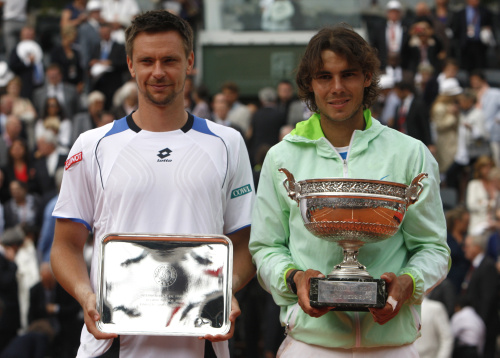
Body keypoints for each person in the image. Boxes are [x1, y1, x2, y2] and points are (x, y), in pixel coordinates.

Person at [50, 10, 255, 358]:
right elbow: (65, 246)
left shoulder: (228, 142)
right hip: (112, 342)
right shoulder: (92, 145)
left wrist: (226, 289)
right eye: (147, 61)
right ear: (130, 65)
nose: (158, 72)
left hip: (201, 341)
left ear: (190, 62)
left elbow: (246, 243)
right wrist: (87, 296)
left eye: (170, 60)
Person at [249, 24, 450, 357]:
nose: (337, 88)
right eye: (324, 76)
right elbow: (266, 247)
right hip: (310, 344)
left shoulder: (410, 153)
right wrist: (295, 279)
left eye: (349, 74)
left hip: (391, 344)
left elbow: (433, 248)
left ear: (368, 77)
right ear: (309, 84)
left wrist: (407, 283)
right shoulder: (281, 157)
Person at [460, 232, 499, 358]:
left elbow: (487, 300)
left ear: (477, 247)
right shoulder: (475, 266)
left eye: (467, 246)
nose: (464, 249)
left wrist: (478, 327)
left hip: (484, 328)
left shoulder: (487, 266)